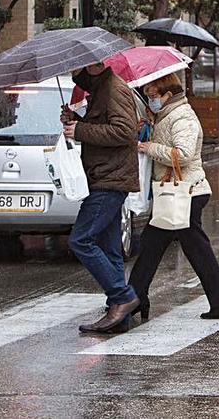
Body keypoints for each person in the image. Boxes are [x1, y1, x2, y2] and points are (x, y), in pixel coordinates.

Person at [128, 74, 219, 320]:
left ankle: (135, 298)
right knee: (161, 247)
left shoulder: (182, 116)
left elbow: (184, 154)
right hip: (176, 192)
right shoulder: (164, 115)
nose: (150, 100)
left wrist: (149, 148)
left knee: (160, 247)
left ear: (168, 94)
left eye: (154, 96)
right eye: (148, 95)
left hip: (185, 192)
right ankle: (137, 297)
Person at [62, 62, 141, 333]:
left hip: (110, 179)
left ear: (94, 64)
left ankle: (123, 297)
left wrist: (80, 131)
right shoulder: (100, 88)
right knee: (109, 249)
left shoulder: (113, 89)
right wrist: (77, 123)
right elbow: (105, 128)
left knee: (81, 240)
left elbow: (124, 132)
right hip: (104, 176)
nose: (76, 73)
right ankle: (120, 316)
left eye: (78, 67)